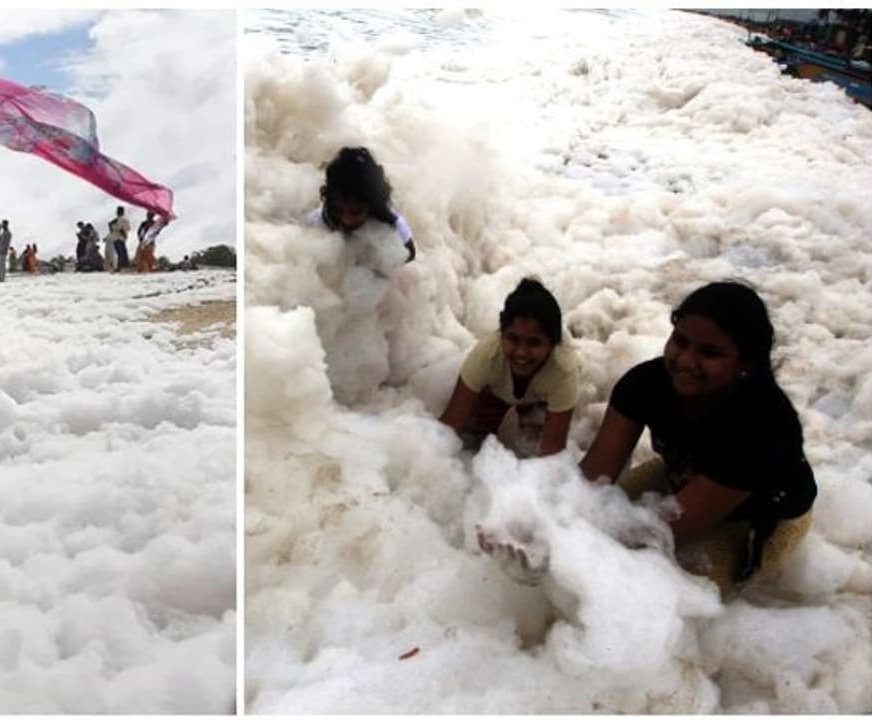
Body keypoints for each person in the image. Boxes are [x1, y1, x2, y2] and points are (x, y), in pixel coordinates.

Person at [579, 281, 817, 597]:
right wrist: (553, 525)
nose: (686, 361)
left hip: (761, 517)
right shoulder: (645, 384)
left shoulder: (763, 424)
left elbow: (665, 531)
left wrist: (581, 549)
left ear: (745, 364)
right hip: (680, 476)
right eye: (680, 341)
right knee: (587, 518)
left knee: (667, 589)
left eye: (709, 353)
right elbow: (590, 479)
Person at [439, 278, 579, 456]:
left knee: (532, 445)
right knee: (472, 432)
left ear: (552, 345)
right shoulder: (488, 354)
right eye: (513, 339)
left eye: (534, 343)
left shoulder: (563, 369)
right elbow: (449, 425)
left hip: (542, 400)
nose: (521, 352)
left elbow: (552, 451)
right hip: (497, 393)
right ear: (502, 335)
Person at [306, 146, 416, 263]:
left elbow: (410, 254)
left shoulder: (392, 225)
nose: (346, 220)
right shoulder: (322, 219)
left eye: (356, 212)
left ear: (372, 206)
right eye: (339, 210)